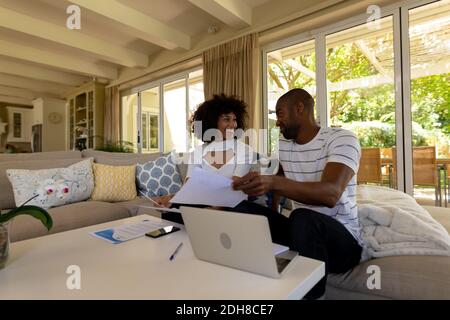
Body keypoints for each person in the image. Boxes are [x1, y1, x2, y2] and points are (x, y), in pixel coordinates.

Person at [232, 88, 363, 300]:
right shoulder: (285, 144)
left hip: (342, 243)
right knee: (243, 209)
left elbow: (330, 194)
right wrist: (261, 190)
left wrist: (273, 182)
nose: (277, 122)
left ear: (300, 109)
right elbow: (280, 178)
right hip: (300, 233)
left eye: (280, 114)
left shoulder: (342, 139)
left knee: (302, 218)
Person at [155, 94, 258, 222]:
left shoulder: (244, 150)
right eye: (226, 119)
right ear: (212, 122)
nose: (233, 125)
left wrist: (214, 209)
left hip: (232, 205)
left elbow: (235, 187)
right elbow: (190, 185)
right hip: (203, 201)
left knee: (233, 211)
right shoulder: (198, 152)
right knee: (171, 211)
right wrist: (171, 199)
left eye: (234, 119)